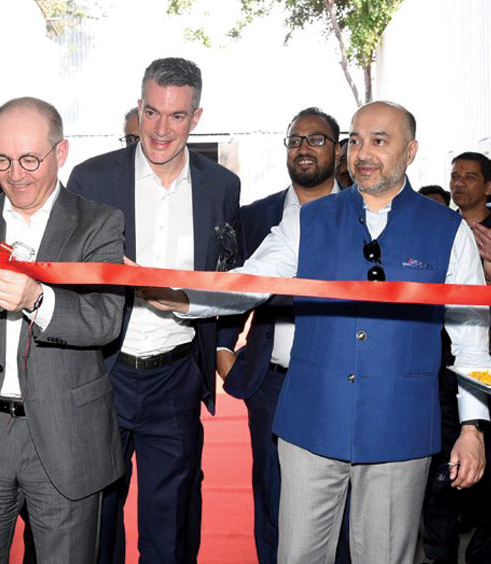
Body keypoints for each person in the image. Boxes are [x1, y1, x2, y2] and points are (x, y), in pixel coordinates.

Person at [161, 101, 490, 564]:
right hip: (309, 425)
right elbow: (249, 282)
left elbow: (472, 337)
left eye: (379, 140)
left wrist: (473, 426)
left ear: (410, 151)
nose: (363, 153)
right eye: (355, 140)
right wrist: (184, 300)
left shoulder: (448, 231)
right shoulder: (307, 221)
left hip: (400, 433)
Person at [0, 96, 125, 563]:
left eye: (30, 159)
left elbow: (106, 319)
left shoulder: (99, 224)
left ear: (61, 152)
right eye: (3, 160)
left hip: (65, 432)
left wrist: (36, 299)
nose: (16, 174)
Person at [67, 57, 244, 564]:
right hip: (102, 373)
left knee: (171, 524)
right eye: (151, 113)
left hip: (176, 375)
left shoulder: (222, 187)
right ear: (139, 108)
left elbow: (229, 280)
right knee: (96, 515)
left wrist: (200, 316)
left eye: (177, 116)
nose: (161, 129)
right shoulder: (92, 178)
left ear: (197, 116)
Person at [216, 107, 346, 564]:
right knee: (273, 496)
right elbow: (235, 284)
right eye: (295, 141)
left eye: (316, 139)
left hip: (341, 383)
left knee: (341, 505)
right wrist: (222, 350)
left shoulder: (361, 213)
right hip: (272, 382)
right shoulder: (256, 217)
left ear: (338, 149)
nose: (304, 149)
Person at [421, 151, 491, 564]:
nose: (459, 183)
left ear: (488, 186)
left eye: (470, 176)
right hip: (443, 367)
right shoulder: (440, 231)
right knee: (441, 473)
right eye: (454, 175)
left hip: (483, 366)